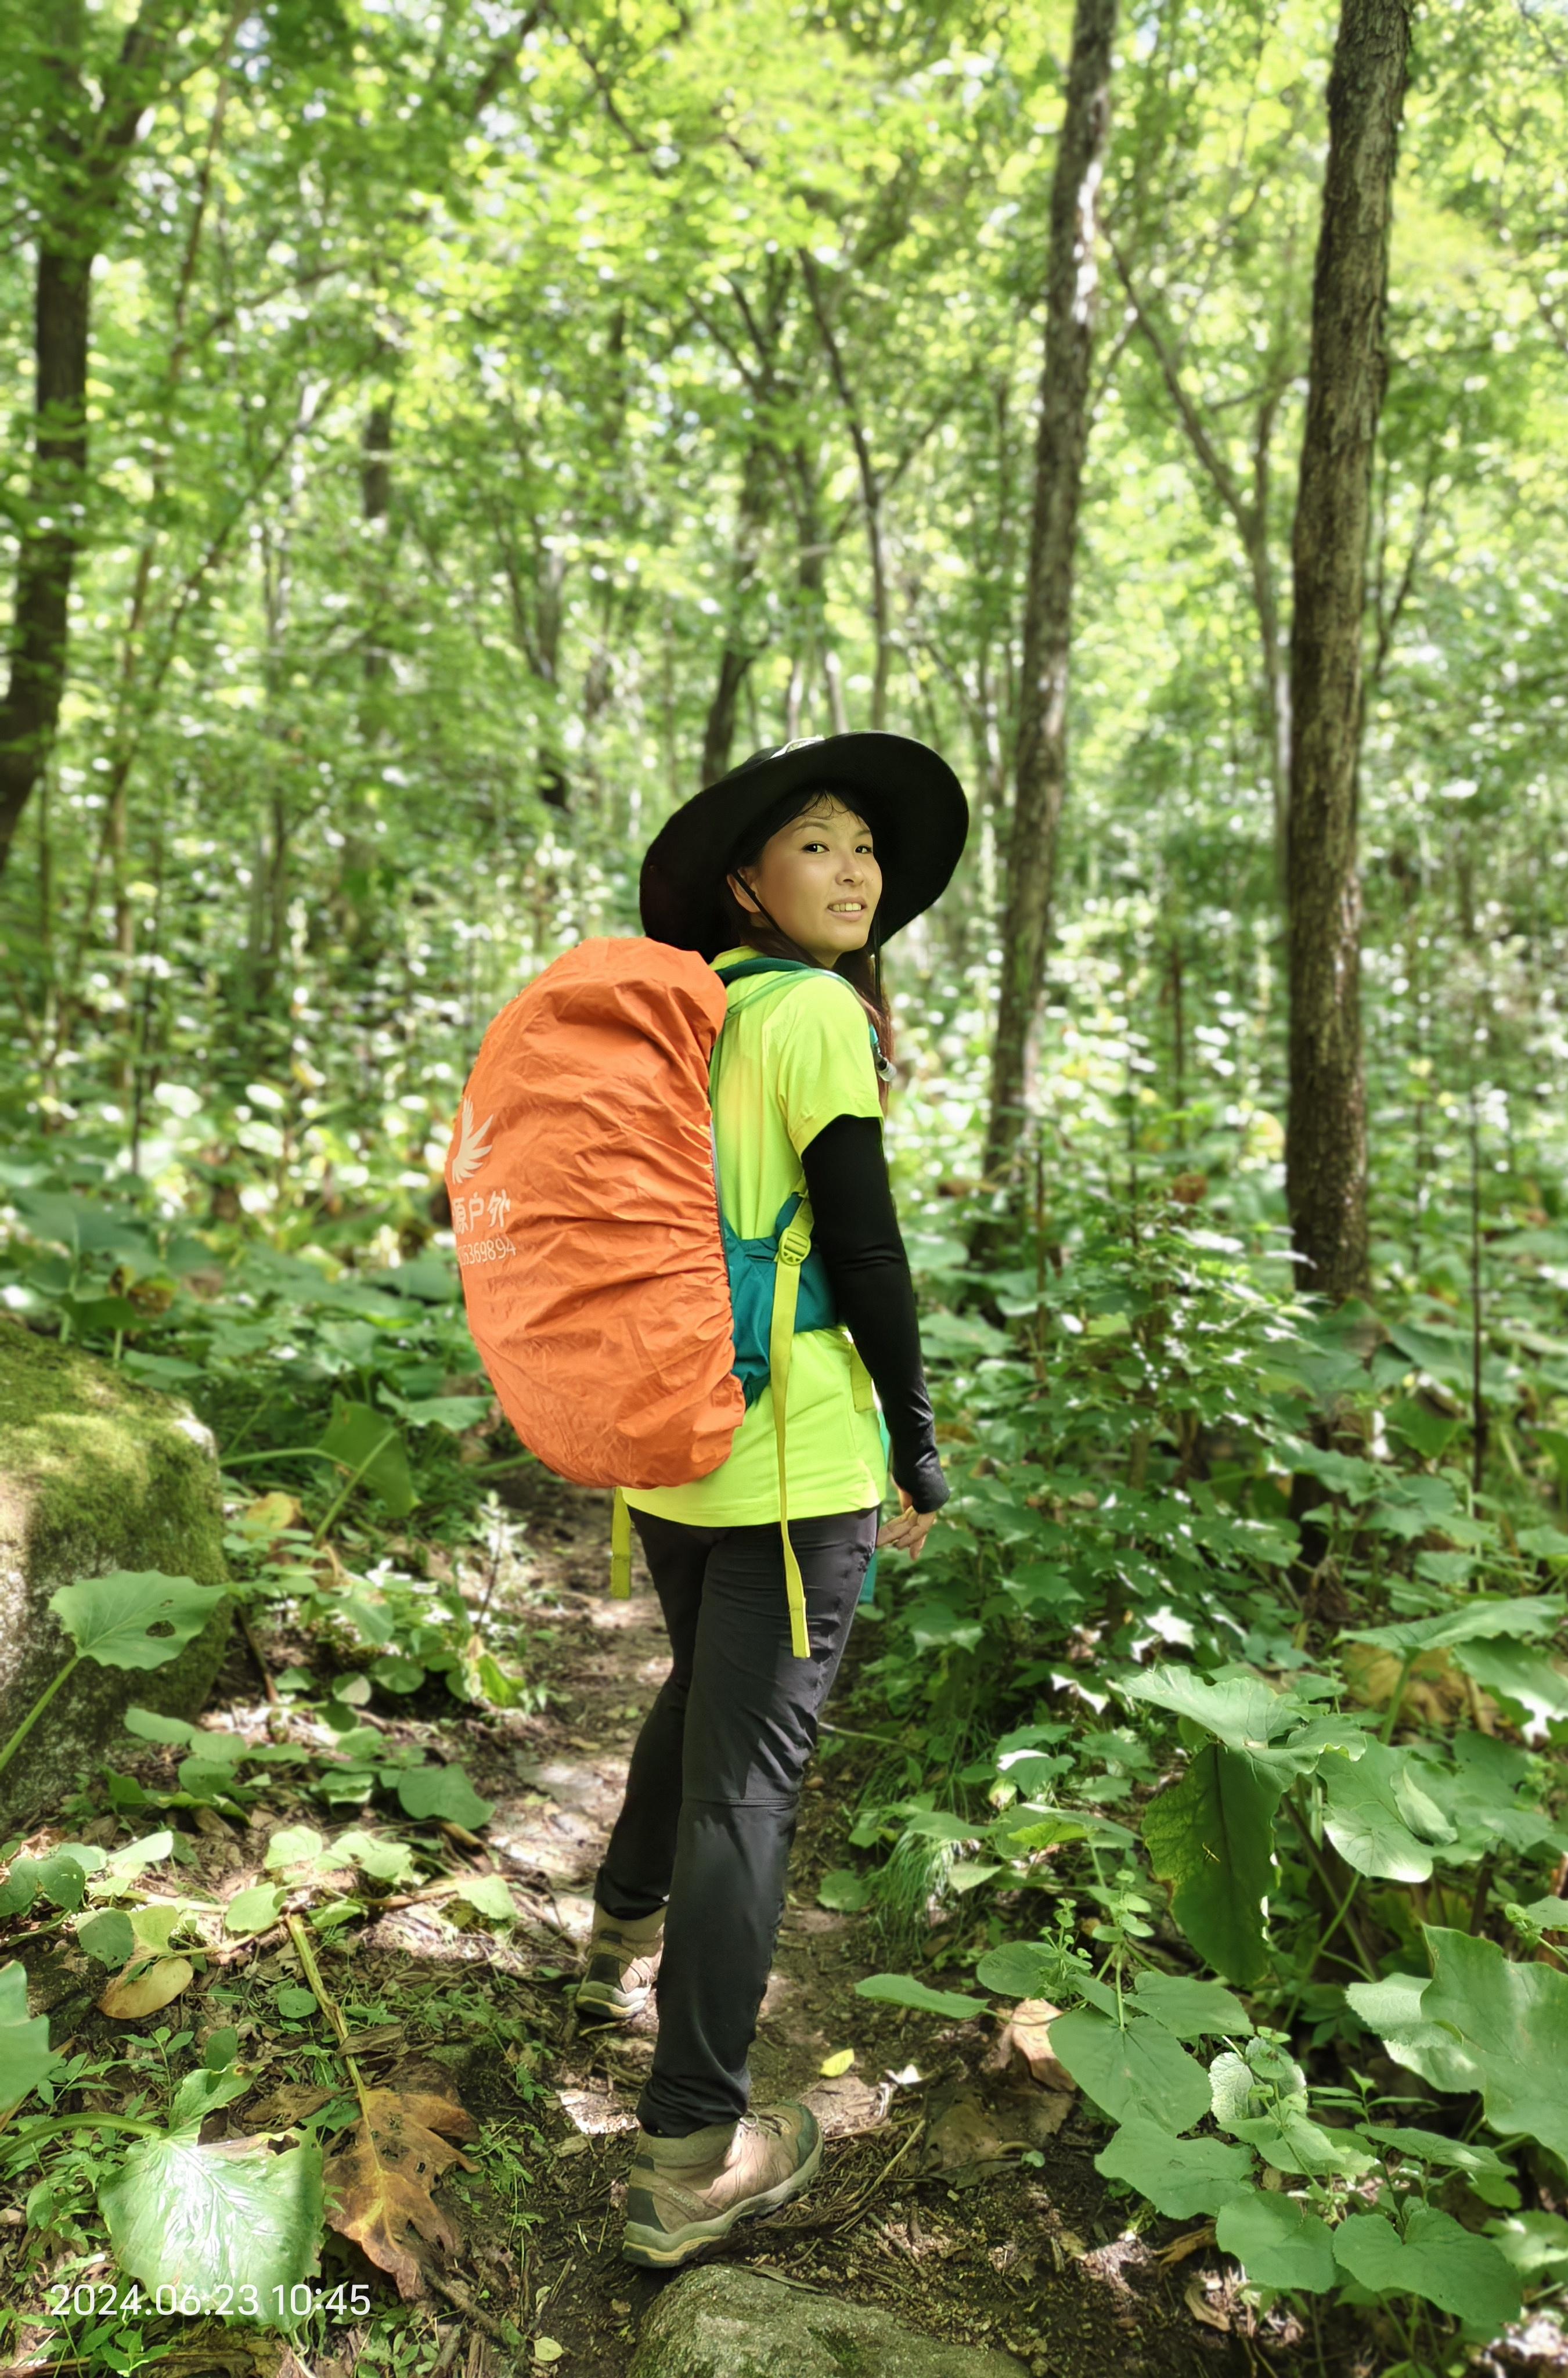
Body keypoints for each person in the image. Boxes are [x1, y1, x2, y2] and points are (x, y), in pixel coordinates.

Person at [579, 732, 967, 2268]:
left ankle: (615, 1926)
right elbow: (864, 1250)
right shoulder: (810, 1011)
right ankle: (690, 2153)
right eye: (818, 842)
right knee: (749, 1791)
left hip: (676, 1439)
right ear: (746, 881)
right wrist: (916, 1444)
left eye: (865, 844)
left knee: (701, 1693)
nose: (856, 867)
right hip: (793, 1456)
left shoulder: (696, 1011)